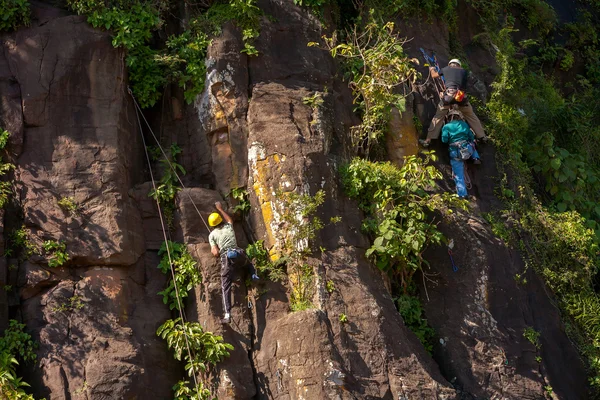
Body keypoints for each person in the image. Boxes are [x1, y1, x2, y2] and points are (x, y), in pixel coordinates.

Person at [209, 201, 259, 324]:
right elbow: (229, 219)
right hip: (238, 254)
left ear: (211, 225)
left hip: (227, 260)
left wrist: (216, 248)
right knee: (248, 263)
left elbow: (215, 252)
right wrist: (220, 208)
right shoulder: (228, 226)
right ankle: (253, 274)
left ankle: (227, 315)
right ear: (220, 220)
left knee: (225, 286)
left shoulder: (212, 235)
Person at [420, 59, 487, 146]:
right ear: (459, 65)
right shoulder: (464, 71)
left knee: (438, 117)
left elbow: (434, 75)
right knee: (471, 116)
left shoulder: (446, 69)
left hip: (448, 95)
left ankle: (428, 140)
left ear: (450, 64)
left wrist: (432, 69)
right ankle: (482, 137)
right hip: (461, 97)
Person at [441, 109, 480, 198]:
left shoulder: (446, 127)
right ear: (459, 117)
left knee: (458, 175)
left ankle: (463, 195)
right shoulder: (464, 124)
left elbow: (444, 140)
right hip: (467, 149)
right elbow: (471, 137)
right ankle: (476, 157)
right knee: (473, 143)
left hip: (455, 152)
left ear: (449, 117)